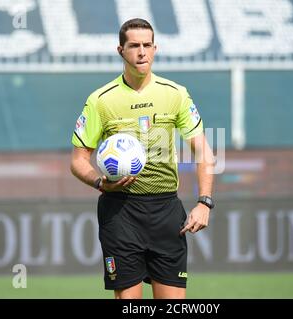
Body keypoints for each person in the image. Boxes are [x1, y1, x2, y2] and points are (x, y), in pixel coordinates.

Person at [70, 18, 215, 299]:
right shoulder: (100, 100)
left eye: (147, 45)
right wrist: (100, 183)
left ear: (155, 48)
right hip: (120, 212)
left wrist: (204, 202)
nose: (141, 52)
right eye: (134, 45)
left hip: (166, 211)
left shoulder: (176, 94)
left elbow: (204, 151)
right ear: (120, 50)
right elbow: (77, 161)